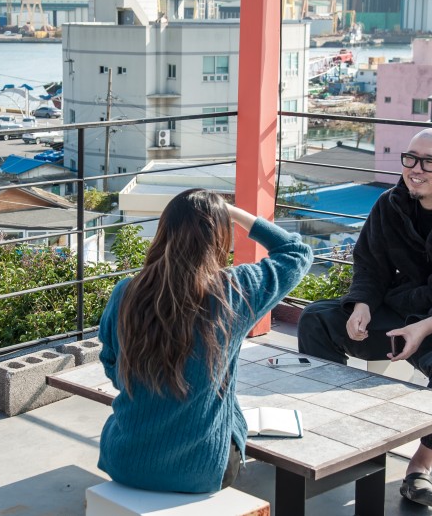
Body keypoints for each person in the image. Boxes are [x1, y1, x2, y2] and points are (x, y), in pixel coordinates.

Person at [297, 128, 432, 510]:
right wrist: (362, 303)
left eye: (430, 162)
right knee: (317, 319)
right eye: (411, 159)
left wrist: (428, 325)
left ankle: (420, 467)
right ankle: (338, 430)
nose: (417, 169)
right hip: (402, 310)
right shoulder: (391, 204)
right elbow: (369, 262)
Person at [97, 188, 313, 493]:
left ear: (163, 231)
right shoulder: (235, 291)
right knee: (230, 421)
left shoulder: (125, 292)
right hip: (203, 471)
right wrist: (233, 212)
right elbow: (297, 253)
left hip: (125, 462)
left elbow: (110, 362)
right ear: (219, 236)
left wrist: (151, 391)